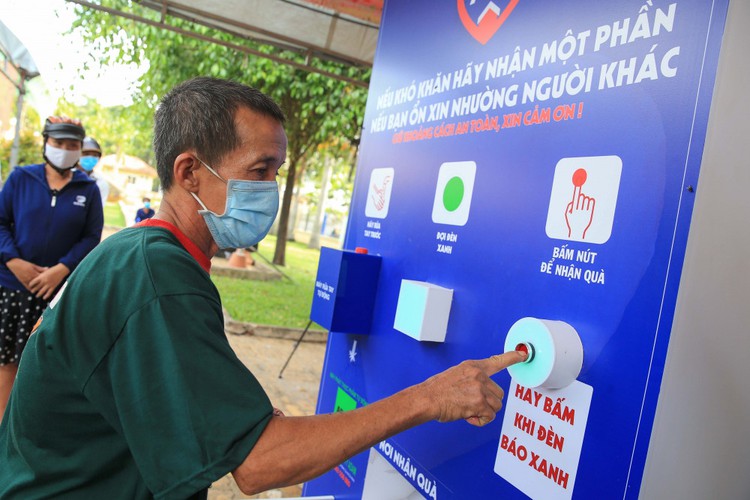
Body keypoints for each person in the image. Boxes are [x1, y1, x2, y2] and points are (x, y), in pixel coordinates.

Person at [0, 78, 526, 498]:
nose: (271, 189)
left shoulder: (143, 254)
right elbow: (257, 464)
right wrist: (430, 397)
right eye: (260, 169)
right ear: (190, 172)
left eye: (277, 170)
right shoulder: (158, 278)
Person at [0, 116, 104, 421]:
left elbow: (90, 237)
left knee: (45, 368)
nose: (64, 150)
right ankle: (3, 432)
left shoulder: (89, 190)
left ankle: (32, 432)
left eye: (72, 145)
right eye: (58, 144)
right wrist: (13, 261)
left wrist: (62, 269)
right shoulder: (21, 178)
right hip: (12, 287)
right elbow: (1, 223)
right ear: (46, 143)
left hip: (58, 295)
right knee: (7, 363)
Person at [79, 136, 110, 205]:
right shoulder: (66, 177)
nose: (90, 158)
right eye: (86, 154)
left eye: (95, 155)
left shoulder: (101, 183)